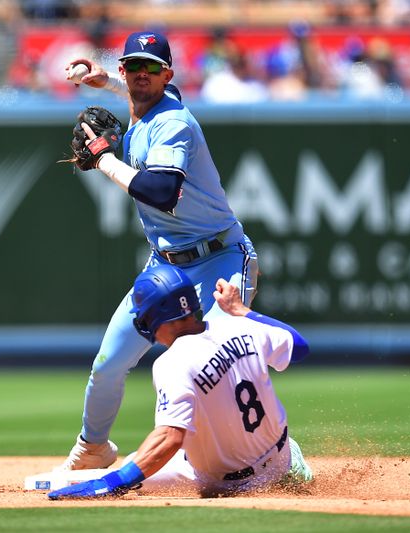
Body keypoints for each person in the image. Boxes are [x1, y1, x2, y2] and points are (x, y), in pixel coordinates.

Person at [57, 31, 259, 471]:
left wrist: (104, 160)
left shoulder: (174, 122)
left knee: (219, 366)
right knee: (108, 363)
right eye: (134, 66)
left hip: (220, 258)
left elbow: (163, 191)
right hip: (165, 266)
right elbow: (135, 90)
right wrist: (103, 79)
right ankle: (93, 448)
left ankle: (267, 451)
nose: (141, 74)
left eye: (152, 67)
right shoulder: (141, 102)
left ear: (167, 74)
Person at [48, 265, 312, 499]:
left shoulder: (172, 363)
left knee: (134, 467)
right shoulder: (239, 325)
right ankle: (290, 464)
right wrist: (242, 310)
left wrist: (112, 483)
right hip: (281, 459)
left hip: (226, 484)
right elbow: (299, 347)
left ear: (153, 318)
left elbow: (169, 438)